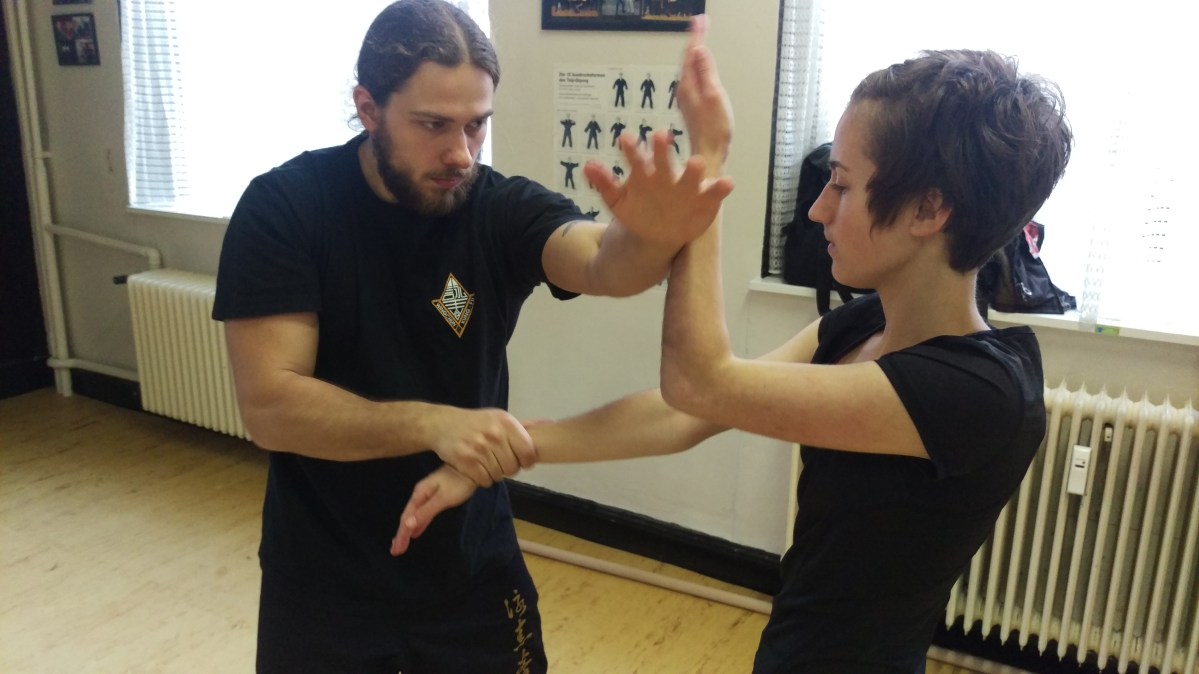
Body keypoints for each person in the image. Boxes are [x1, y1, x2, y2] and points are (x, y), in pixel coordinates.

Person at [396, 18, 1072, 674]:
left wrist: (708, 167)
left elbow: (702, 382)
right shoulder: (861, 325)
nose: (818, 208)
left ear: (928, 210)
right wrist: (506, 452)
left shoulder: (978, 392)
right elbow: (683, 413)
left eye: (840, 184)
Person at [210, 1, 731, 672]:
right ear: (368, 109)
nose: (460, 153)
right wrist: (435, 424)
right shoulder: (286, 209)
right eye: (433, 125)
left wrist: (650, 235)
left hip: (470, 563)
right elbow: (271, 407)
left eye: (476, 125)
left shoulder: (498, 207)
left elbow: (606, 265)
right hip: (324, 578)